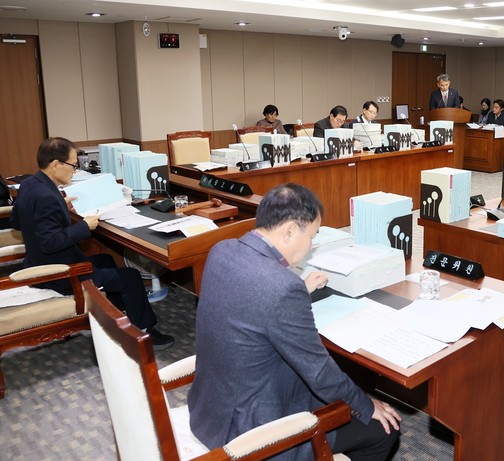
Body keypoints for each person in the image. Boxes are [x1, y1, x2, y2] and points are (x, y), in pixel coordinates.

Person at [188, 183, 400, 461]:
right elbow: (320, 373)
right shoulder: (283, 287)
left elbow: (249, 299)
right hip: (252, 431)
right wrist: (366, 405)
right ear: (289, 231)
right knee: (383, 430)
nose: (311, 245)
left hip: (209, 410)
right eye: (311, 236)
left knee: (344, 379)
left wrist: (300, 288)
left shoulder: (222, 250)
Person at [10, 137, 174, 349]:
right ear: (56, 164)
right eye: (73, 165)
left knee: (106, 259)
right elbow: (50, 242)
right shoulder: (46, 197)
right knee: (131, 277)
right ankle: (143, 333)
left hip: (39, 261)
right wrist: (84, 226)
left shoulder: (30, 185)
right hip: (58, 273)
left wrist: (60, 206)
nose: (75, 170)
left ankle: (118, 319)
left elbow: (17, 222)